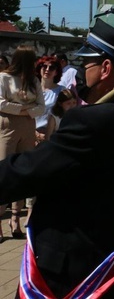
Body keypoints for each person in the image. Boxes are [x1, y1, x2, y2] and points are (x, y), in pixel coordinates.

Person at [0, 20, 114, 297]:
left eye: (87, 64)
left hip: (80, 272)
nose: (81, 72)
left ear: (105, 69)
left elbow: (30, 171)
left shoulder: (93, 120)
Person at [0, 46, 45, 239]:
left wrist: (25, 111)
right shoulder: (3, 78)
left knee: (22, 171)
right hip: (7, 126)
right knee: (4, 170)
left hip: (28, 126)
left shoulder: (34, 81)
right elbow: (0, 103)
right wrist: (25, 109)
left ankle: (15, 219)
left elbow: (42, 107)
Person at [34, 56, 65, 141]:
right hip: (30, 133)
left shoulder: (62, 91)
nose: (47, 69)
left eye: (51, 68)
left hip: (52, 135)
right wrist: (35, 134)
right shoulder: (32, 89)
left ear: (56, 72)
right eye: (44, 66)